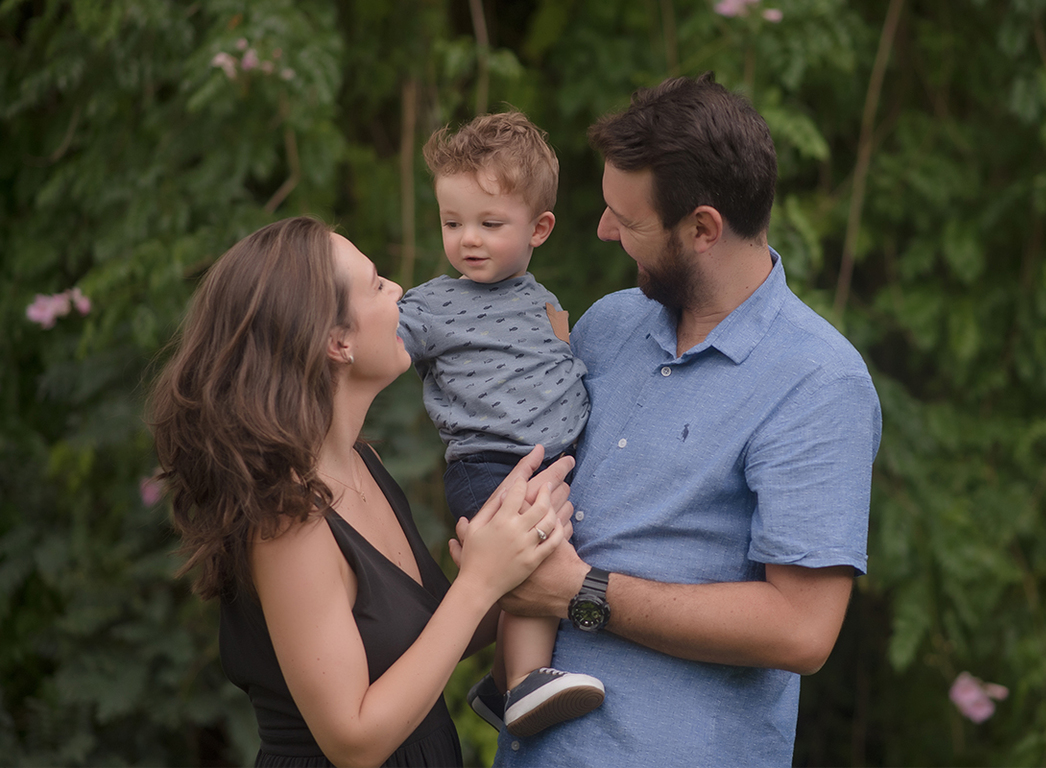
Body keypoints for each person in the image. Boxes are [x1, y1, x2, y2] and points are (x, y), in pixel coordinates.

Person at [491, 74, 883, 767]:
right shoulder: (608, 325)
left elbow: (801, 631)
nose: (605, 230)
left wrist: (583, 594)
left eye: (628, 219)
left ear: (703, 228)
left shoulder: (819, 381)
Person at [148, 216, 575, 767]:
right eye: (376, 284)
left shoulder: (361, 464)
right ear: (336, 341)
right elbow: (353, 740)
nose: (399, 289)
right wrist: (477, 584)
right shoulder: (286, 519)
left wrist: (517, 561)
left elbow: (417, 647)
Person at [394, 111, 602, 737]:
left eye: (490, 223)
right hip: (491, 462)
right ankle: (526, 683)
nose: (469, 240)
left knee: (545, 554)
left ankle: (498, 684)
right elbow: (376, 348)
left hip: (543, 460)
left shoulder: (542, 300)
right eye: (452, 223)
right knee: (539, 558)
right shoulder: (432, 305)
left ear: (539, 228)